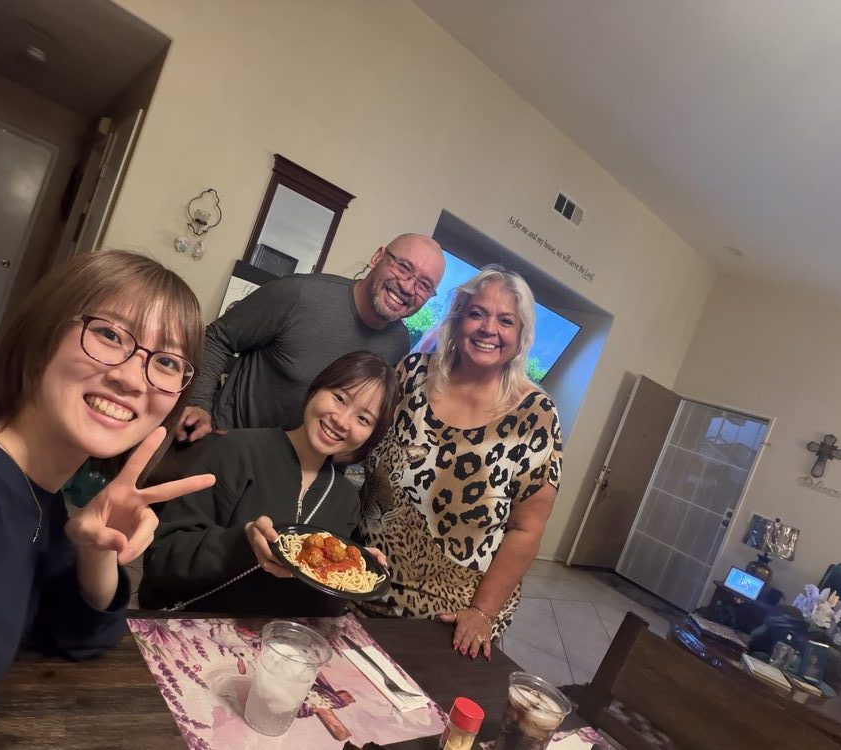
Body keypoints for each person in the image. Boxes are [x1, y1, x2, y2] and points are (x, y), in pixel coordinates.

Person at [0, 251, 215, 746]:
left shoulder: (44, 499)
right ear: (43, 336)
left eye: (167, 362)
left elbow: (82, 636)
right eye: (109, 334)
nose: (132, 378)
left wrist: (96, 551)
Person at [359, 265, 562, 660]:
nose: (489, 328)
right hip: (363, 581)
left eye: (506, 320)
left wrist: (482, 613)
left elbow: (526, 529)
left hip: (449, 619)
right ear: (458, 319)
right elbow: (362, 442)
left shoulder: (536, 415)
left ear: (521, 336)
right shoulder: (413, 373)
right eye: (477, 313)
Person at [139, 351, 397, 616]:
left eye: (363, 419)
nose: (341, 421)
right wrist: (241, 542)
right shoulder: (238, 450)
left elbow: (320, 610)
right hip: (192, 624)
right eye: (339, 398)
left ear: (370, 436)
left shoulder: (344, 500)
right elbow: (160, 558)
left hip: (276, 642)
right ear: (317, 389)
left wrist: (353, 571)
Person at [176, 233, 444, 440]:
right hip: (222, 443)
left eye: (424, 285)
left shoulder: (398, 343)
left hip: (286, 477)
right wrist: (200, 405)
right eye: (403, 268)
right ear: (377, 257)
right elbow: (217, 337)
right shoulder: (299, 294)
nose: (408, 287)